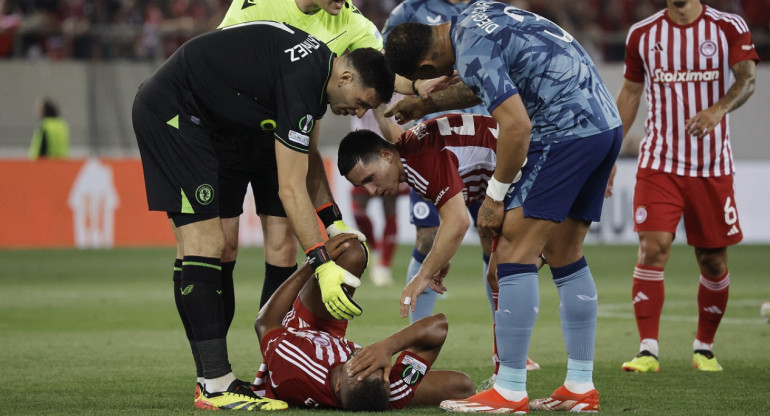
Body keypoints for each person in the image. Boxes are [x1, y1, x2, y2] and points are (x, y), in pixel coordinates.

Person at [132, 22, 394, 410]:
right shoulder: (305, 77)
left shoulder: (316, 73)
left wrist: (333, 221)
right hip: (175, 114)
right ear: (346, 75)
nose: (359, 112)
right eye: (362, 101)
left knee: (212, 244)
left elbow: (305, 160)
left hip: (202, 120)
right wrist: (321, 263)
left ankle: (214, 378)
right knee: (204, 243)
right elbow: (291, 189)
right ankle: (215, 385)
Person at [382, 1, 623, 412]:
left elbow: (517, 126)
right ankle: (580, 385)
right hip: (602, 121)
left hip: (563, 129)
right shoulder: (474, 16)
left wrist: (494, 197)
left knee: (511, 250)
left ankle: (509, 389)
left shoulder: (469, 49)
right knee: (565, 254)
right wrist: (426, 104)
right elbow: (483, 83)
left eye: (424, 79)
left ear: (426, 65)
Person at [615, 0, 757, 373]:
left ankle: (704, 349)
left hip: (712, 167)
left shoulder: (728, 28)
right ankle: (647, 350)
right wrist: (608, 154)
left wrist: (717, 109)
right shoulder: (642, 34)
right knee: (652, 248)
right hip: (658, 163)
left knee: (713, 260)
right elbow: (630, 94)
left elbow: (748, 79)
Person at [214, 0, 380, 316]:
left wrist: (417, 87)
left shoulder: (350, 22)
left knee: (283, 246)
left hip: (284, 142)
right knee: (223, 247)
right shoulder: (258, 5)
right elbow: (220, 60)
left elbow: (383, 75)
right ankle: (214, 363)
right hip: (232, 135)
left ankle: (272, 354)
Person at [254, 232, 476, 410]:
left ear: (340, 383)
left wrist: (312, 262)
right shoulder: (389, 391)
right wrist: (388, 347)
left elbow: (264, 322)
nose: (370, 357)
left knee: (351, 251)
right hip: (349, 366)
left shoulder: (294, 362)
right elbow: (439, 326)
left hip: (306, 329)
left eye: (362, 363)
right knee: (462, 386)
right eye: (380, 367)